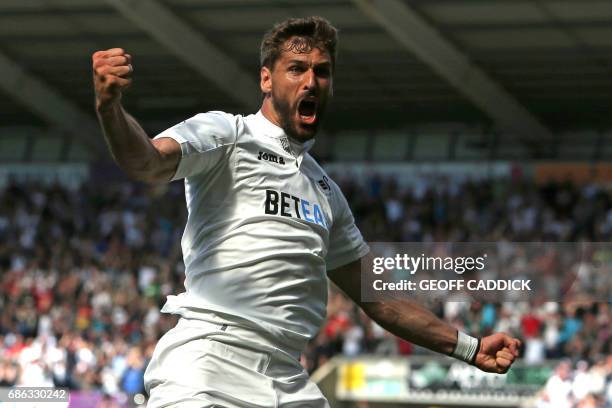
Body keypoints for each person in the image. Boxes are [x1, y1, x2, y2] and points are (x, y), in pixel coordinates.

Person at [92, 16, 521, 408]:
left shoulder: (326, 192)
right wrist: (110, 108)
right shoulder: (228, 135)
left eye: (322, 71)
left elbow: (379, 298)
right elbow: (145, 161)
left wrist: (468, 346)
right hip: (209, 362)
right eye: (297, 69)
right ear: (266, 78)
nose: (310, 81)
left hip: (287, 375)